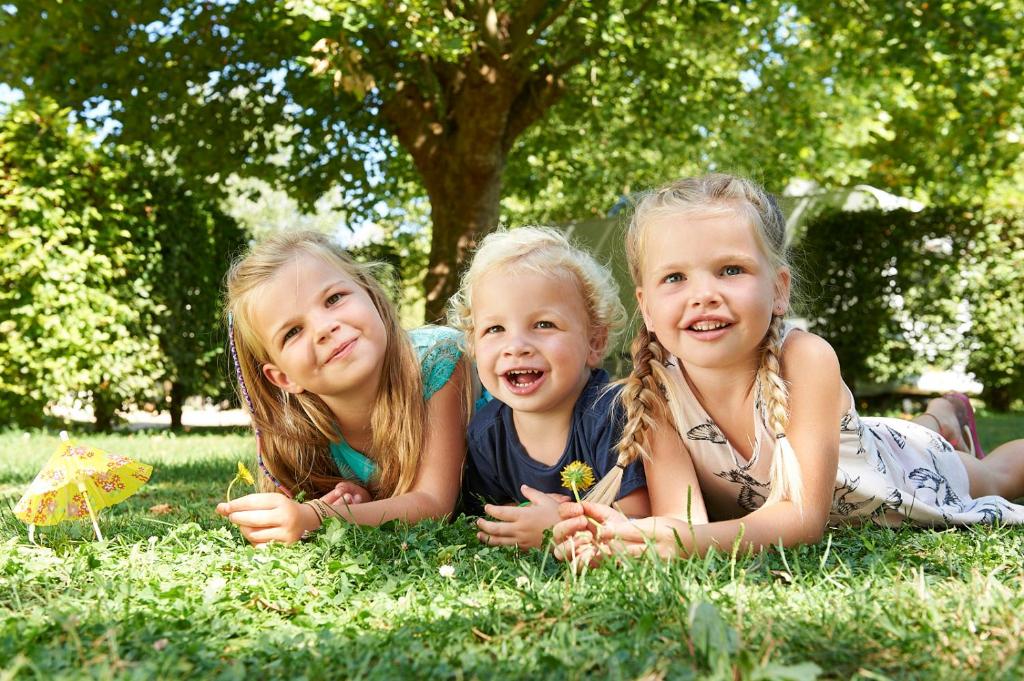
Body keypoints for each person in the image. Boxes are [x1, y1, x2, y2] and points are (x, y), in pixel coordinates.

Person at [553, 174, 1024, 565]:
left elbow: (801, 519)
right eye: (675, 277)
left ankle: (938, 422)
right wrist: (628, 542)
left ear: (779, 289)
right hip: (852, 439)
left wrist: (672, 540)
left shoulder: (807, 358)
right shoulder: (653, 390)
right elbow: (686, 520)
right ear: (647, 307)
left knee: (996, 476)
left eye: (731, 270)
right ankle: (941, 415)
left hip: (903, 468)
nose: (703, 294)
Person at [216, 230, 469, 545]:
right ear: (284, 378)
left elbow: (434, 505)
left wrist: (317, 516)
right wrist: (354, 499)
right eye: (293, 331)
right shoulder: (307, 433)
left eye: (333, 299)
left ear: (371, 296)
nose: (324, 328)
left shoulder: (438, 359)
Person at [448, 227, 650, 549]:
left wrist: (556, 526)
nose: (516, 346)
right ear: (473, 346)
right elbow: (487, 518)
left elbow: (638, 521)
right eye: (495, 328)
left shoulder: (612, 415)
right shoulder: (487, 433)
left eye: (544, 325)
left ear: (594, 343)